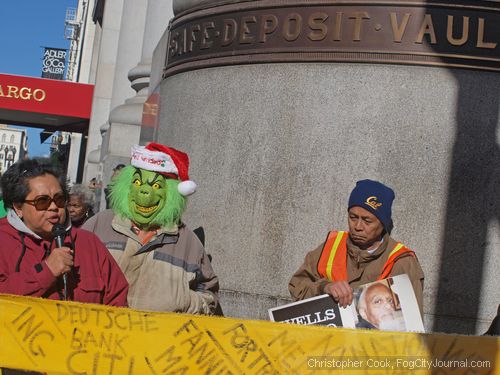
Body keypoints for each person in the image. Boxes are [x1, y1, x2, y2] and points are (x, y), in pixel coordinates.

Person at [83, 143, 219, 314]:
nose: (145, 192)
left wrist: (184, 301)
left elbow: (209, 294)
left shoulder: (188, 241)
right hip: (101, 334)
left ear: (171, 192)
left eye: (156, 186)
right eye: (138, 182)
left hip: (158, 337)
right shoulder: (100, 224)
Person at [0, 158, 128, 306]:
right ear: (18, 207)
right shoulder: (3, 240)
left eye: (59, 199)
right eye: (42, 201)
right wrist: (45, 271)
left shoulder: (89, 243)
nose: (54, 207)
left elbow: (118, 300)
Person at [289, 179, 424, 314]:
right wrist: (324, 287)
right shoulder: (331, 247)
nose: (358, 227)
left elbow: (413, 323)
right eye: (353, 217)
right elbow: (298, 287)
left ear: (383, 224)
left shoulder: (401, 261)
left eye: (367, 220)